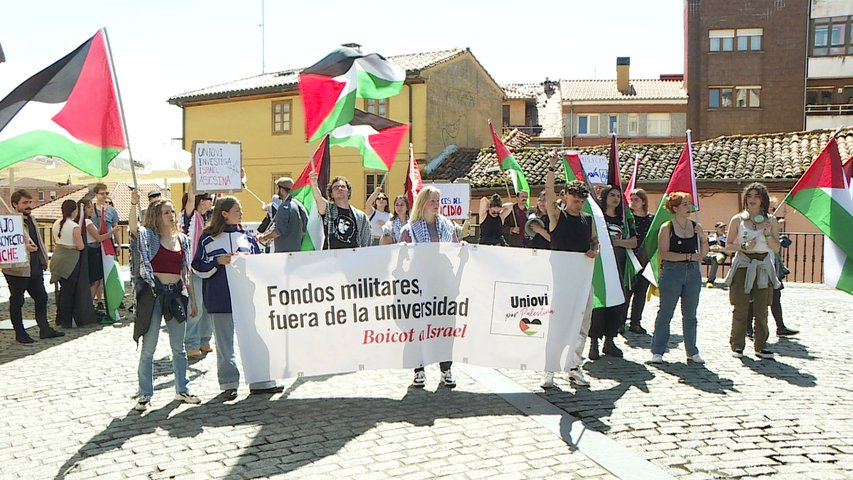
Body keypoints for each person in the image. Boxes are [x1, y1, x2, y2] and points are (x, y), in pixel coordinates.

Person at [192, 196, 284, 399]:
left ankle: (261, 381)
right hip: (220, 297)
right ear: (224, 214)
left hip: (248, 298)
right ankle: (228, 383)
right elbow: (197, 266)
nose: (241, 212)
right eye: (237, 209)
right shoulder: (207, 238)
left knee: (256, 339)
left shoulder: (248, 237)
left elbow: (260, 265)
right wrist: (217, 261)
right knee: (224, 343)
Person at [129, 190, 200, 412]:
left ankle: (182, 389)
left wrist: (194, 300)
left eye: (172, 211)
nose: (171, 215)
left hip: (176, 295)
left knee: (179, 348)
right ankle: (145, 394)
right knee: (148, 348)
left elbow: (186, 272)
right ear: (156, 215)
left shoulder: (183, 240)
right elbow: (133, 229)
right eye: (165, 212)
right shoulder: (149, 237)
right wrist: (133, 204)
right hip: (153, 296)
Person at [540, 151, 599, 388]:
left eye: (581, 200)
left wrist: (595, 249)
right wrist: (552, 167)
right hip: (561, 280)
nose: (579, 204)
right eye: (575, 200)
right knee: (558, 326)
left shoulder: (587, 219)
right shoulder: (557, 215)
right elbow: (550, 192)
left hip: (583, 279)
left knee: (582, 326)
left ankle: (575, 367)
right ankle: (549, 370)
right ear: (566, 198)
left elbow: (594, 241)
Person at [398, 186, 460, 388]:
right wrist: (404, 251)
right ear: (423, 202)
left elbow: (455, 249)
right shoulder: (409, 230)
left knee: (445, 326)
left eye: (438, 201)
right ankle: (419, 370)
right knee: (418, 327)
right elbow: (400, 262)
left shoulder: (447, 227)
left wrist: (464, 247)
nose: (436, 205)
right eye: (433, 200)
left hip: (442, 285)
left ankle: (446, 369)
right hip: (420, 286)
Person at [650, 192, 709, 364]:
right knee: (666, 312)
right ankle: (658, 350)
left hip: (692, 274)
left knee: (690, 314)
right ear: (674, 208)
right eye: (684, 204)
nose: (688, 207)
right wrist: (689, 257)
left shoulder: (695, 225)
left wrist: (703, 237)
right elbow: (665, 253)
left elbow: (703, 254)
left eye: (688, 204)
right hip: (672, 272)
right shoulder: (666, 228)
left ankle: (692, 351)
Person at [724, 182, 781, 360]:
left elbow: (776, 248)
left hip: (763, 266)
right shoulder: (737, 219)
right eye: (749, 196)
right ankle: (737, 345)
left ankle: (761, 346)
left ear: (763, 199)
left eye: (756, 196)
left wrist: (768, 234)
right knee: (740, 306)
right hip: (743, 265)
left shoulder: (770, 220)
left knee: (762, 308)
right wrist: (743, 246)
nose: (752, 200)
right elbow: (728, 246)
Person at [1, 190, 65, 343]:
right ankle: (20, 332)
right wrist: (24, 248)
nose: (28, 206)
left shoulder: (32, 220)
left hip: (34, 267)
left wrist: (43, 261)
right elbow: (7, 244)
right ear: (15, 205)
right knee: (17, 300)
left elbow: (38, 242)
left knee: (41, 297)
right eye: (25, 203)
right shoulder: (8, 222)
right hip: (17, 270)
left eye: (30, 202)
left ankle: (44, 328)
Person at [589, 185, 636, 359]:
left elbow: (633, 242)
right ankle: (593, 342)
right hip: (600, 266)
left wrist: (617, 243)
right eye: (612, 195)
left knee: (617, 303)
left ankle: (609, 341)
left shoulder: (624, 220)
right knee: (598, 305)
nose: (616, 198)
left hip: (619, 265)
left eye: (618, 195)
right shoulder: (597, 217)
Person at [180, 172, 216, 358]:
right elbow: (190, 196)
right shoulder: (190, 217)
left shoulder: (209, 217)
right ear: (202, 201)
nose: (211, 201)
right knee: (197, 306)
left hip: (209, 267)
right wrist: (193, 177)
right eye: (209, 199)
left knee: (209, 306)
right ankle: (191, 342)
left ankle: (204, 340)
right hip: (193, 268)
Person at [49, 200, 86, 328]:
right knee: (68, 292)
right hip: (70, 259)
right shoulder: (74, 226)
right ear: (74, 211)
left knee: (63, 290)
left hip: (57, 256)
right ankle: (66, 319)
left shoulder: (56, 223)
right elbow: (80, 246)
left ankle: (59, 317)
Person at [310, 173, 371, 249]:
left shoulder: (360, 216)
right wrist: (314, 185)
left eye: (343, 186)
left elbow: (366, 241)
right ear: (331, 194)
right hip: (331, 257)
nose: (339, 188)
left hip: (353, 257)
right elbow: (318, 199)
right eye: (336, 187)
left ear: (348, 192)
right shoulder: (328, 210)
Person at [79, 198, 115, 323]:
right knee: (94, 281)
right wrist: (112, 232)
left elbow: (97, 232)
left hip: (92, 251)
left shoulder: (87, 222)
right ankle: (89, 305)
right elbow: (99, 238)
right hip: (92, 251)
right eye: (89, 207)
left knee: (97, 281)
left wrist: (102, 225)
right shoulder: (87, 221)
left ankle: (90, 304)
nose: (91, 210)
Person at [624, 188, 654, 334]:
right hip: (629, 259)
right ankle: (620, 322)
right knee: (626, 292)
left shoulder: (651, 220)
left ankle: (636, 322)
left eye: (636, 199)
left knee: (641, 293)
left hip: (645, 260)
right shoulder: (627, 219)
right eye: (631, 199)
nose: (633, 202)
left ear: (643, 202)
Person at [258, 177, 308, 253]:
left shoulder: (284, 206)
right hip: (298, 252)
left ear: (281, 190)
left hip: (285, 254)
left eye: (277, 188)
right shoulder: (299, 205)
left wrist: (263, 238)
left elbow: (278, 231)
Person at [91, 183, 120, 312]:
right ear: (96, 194)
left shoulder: (111, 210)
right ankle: (98, 300)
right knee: (96, 275)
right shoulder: (91, 210)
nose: (104, 196)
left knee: (108, 273)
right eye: (102, 193)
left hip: (108, 243)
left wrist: (118, 245)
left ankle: (109, 299)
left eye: (106, 193)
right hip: (94, 245)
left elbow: (116, 228)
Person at [705, 221, 728, 287]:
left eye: (724, 227)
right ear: (716, 228)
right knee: (698, 257)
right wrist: (710, 248)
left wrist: (721, 249)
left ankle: (710, 281)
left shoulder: (726, 239)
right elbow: (704, 247)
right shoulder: (710, 237)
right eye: (721, 227)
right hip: (709, 255)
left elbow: (729, 252)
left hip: (720, 255)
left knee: (716, 259)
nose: (723, 229)